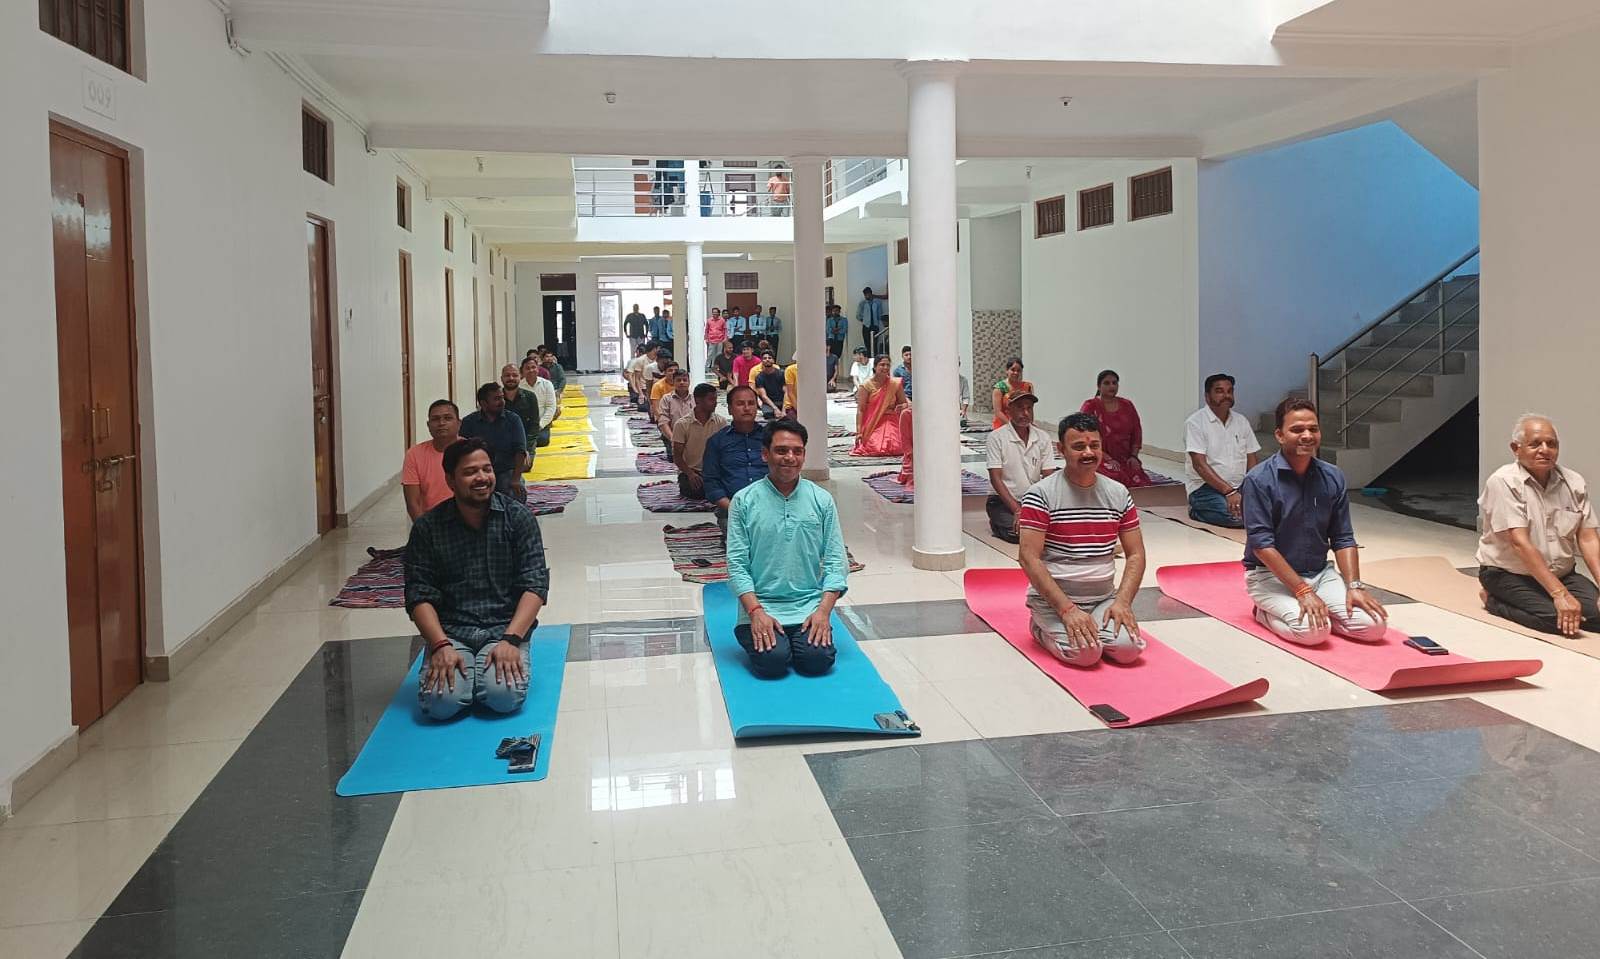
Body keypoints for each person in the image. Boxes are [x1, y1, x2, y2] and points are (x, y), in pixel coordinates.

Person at [405, 437, 549, 720]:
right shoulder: (428, 528)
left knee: (503, 697)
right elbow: (418, 594)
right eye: (470, 472)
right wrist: (440, 645)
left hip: (503, 629)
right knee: (440, 705)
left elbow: (534, 585)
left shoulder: (518, 519)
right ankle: (466, 676)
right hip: (451, 632)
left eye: (487, 469)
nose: (482, 477)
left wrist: (510, 640)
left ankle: (483, 675)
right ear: (450, 480)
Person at [1242, 399, 1386, 646]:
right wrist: (1302, 591)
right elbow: (1261, 545)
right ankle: (1264, 613)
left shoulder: (1332, 476)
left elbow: (1343, 537)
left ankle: (1323, 614)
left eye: (1313, 429)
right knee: (1313, 633)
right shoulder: (1258, 480)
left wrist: (1354, 586)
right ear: (1279, 435)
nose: (1307, 436)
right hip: (1269, 577)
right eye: (1297, 430)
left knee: (1374, 626)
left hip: (1320, 574)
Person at [1017, 412, 1147, 667]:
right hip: (1054, 602)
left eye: (1094, 445)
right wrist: (1066, 610)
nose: (1088, 453)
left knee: (1128, 651)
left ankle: (1092, 627)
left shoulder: (1118, 493)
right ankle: (1040, 628)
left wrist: (1122, 602)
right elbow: (1028, 557)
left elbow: (1136, 554)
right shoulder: (1041, 494)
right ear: (1061, 450)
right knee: (1086, 654)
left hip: (1102, 599)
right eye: (1078, 447)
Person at [726, 418, 845, 678]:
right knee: (773, 663)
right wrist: (755, 612)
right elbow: (736, 565)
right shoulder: (744, 501)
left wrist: (823, 612)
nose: (790, 458)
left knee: (818, 661)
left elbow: (837, 561)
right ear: (765, 454)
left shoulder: (822, 500)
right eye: (781, 450)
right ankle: (768, 638)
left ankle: (793, 642)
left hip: (808, 607)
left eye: (797, 451)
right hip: (760, 606)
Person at [1477, 414, 1600, 637]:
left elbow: (1588, 538)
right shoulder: (1503, 482)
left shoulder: (1573, 482)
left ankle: (1549, 594)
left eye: (1551, 444)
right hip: (1508, 574)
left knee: (1592, 616)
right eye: (1535, 444)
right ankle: (1492, 600)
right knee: (1557, 620)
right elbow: (1520, 543)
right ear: (1516, 448)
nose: (1545, 450)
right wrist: (1560, 595)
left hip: (1562, 573)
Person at [1184, 373, 1261, 529]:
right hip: (1205, 488)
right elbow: (1199, 465)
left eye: (1229, 391)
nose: (1226, 395)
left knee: (1271, 508)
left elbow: (1252, 458)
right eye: (1219, 391)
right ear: (1207, 396)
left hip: (1239, 486)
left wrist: (1252, 488)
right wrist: (1229, 492)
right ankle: (1196, 511)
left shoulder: (1241, 421)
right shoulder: (1195, 423)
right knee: (1234, 517)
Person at [985, 390, 1056, 543]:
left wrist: (1043, 505)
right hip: (1003, 501)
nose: (1025, 413)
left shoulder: (1042, 438)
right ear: (1009, 410)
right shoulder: (996, 438)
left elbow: (1049, 477)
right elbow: (995, 479)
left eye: (1029, 408)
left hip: (1033, 501)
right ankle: (997, 523)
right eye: (1020, 408)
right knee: (1018, 533)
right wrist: (1017, 510)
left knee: (1055, 528)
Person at [701, 386, 768, 536]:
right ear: (730, 409)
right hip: (732, 509)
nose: (746, 408)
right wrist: (734, 508)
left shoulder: (770, 438)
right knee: (743, 539)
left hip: (770, 506)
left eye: (751, 403)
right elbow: (711, 483)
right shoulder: (717, 441)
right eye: (740, 404)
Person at [1080, 369, 1152, 488]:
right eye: (1107, 383)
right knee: (1113, 478)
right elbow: (1084, 435)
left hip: (1125, 457)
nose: (1112, 386)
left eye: (1114, 383)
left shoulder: (1127, 405)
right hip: (1097, 455)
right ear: (1098, 386)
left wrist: (1134, 456)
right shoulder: (1090, 406)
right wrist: (1107, 458)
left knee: (1139, 481)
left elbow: (1136, 431)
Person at [459, 382, 529, 499]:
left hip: (506, 470)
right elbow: (462, 450)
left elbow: (520, 451)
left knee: (514, 492)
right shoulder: (469, 422)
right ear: (483, 404)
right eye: (496, 399)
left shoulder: (513, 419)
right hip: (478, 471)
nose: (502, 402)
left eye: (502, 398)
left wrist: (516, 479)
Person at [402, 399, 462, 520]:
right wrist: (424, 529)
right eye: (435, 419)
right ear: (428, 425)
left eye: (448, 418)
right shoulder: (414, 454)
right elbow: (413, 504)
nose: (441, 423)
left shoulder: (471, 451)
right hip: (430, 522)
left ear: (459, 423)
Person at [672, 383, 728, 500]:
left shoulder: (721, 422)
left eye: (715, 399)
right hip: (692, 472)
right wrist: (690, 474)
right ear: (698, 400)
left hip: (714, 471)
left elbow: (725, 452)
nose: (715, 403)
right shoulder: (682, 424)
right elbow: (677, 457)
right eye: (711, 399)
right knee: (696, 490)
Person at [851, 355, 908, 456]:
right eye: (882, 365)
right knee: (876, 447)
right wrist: (859, 432)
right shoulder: (866, 385)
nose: (885, 367)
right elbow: (861, 410)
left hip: (892, 420)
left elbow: (903, 403)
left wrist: (902, 407)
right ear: (875, 367)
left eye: (888, 365)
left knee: (897, 446)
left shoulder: (894, 384)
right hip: (873, 422)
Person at [500, 363, 541, 469]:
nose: (511, 378)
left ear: (520, 377)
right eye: (507, 375)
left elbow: (534, 425)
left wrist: (524, 449)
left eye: (514, 375)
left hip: (525, 441)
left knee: (523, 466)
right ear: (501, 378)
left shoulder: (530, 397)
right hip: (502, 443)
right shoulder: (496, 398)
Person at [990, 357, 1033, 430]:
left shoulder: (1027, 386)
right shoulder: (1000, 387)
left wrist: (1030, 424)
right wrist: (1013, 427)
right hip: (1003, 426)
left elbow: (1030, 409)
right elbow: (998, 412)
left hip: (1023, 425)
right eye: (1012, 370)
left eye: (1019, 370)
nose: (1016, 373)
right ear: (1007, 370)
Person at [525, 357, 559, 448]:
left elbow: (551, 408)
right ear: (522, 371)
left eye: (533, 367)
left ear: (538, 369)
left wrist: (540, 425)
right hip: (525, 425)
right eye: (527, 368)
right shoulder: (520, 386)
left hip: (541, 424)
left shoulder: (547, 384)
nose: (531, 370)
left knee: (542, 440)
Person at [657, 370, 695, 444]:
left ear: (689, 382)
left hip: (694, 439)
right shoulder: (666, 399)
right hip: (672, 438)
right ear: (673, 382)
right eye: (678, 380)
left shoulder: (696, 398)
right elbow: (663, 422)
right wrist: (673, 440)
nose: (682, 382)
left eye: (685, 380)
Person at [753, 352, 786, 420]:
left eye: (769, 358)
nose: (767, 359)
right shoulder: (759, 377)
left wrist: (783, 410)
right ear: (762, 361)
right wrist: (775, 409)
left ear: (773, 360)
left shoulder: (781, 373)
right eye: (765, 358)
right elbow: (764, 396)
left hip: (782, 401)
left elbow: (786, 392)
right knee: (768, 414)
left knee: (789, 415)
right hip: (768, 403)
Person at [857, 286, 887, 356]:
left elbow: (880, 313)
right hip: (866, 326)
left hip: (875, 325)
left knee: (875, 343)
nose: (867, 296)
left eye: (868, 294)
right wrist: (864, 320)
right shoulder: (862, 303)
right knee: (867, 343)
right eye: (865, 294)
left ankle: (874, 357)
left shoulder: (877, 302)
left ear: (871, 294)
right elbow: (858, 315)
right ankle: (869, 357)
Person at [625, 342, 652, 409]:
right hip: (636, 387)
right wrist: (634, 388)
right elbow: (628, 375)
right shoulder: (633, 361)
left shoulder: (647, 361)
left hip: (642, 386)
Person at [705, 308, 728, 373]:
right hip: (711, 339)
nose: (714, 313)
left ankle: (716, 367)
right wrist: (706, 339)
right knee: (710, 354)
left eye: (716, 312)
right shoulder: (709, 320)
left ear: (718, 313)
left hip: (720, 339)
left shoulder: (722, 320)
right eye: (713, 312)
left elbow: (725, 330)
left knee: (718, 354)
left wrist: (725, 338)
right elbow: (706, 330)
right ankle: (707, 367)